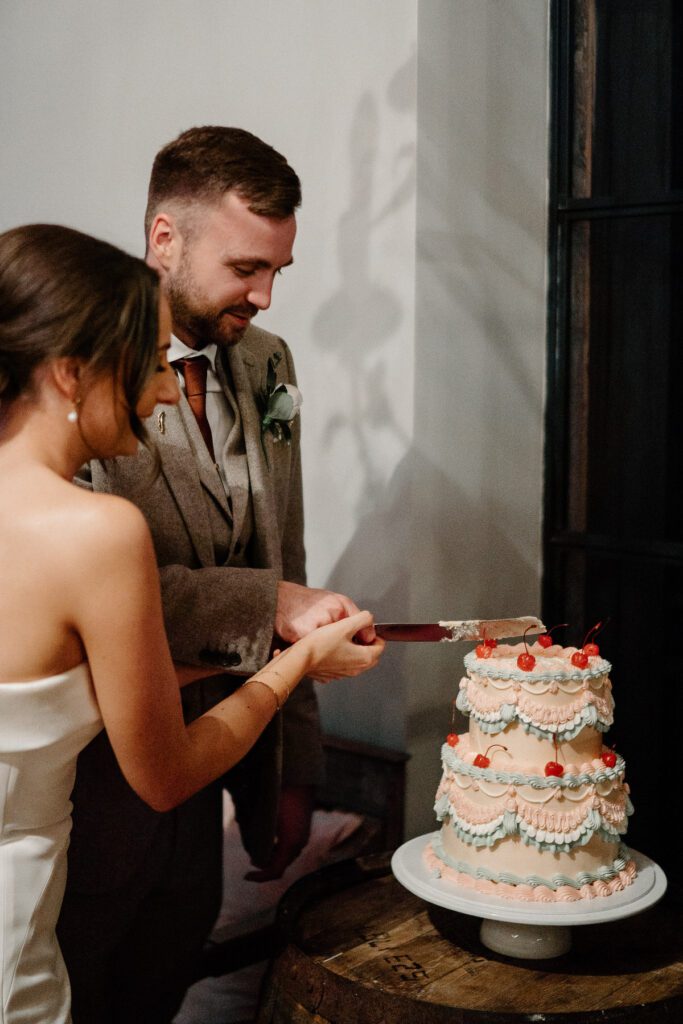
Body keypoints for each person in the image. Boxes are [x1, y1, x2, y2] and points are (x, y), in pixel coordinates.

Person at [0, 222, 383, 1024]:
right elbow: (165, 773)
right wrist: (294, 663)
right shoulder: (96, 532)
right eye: (145, 364)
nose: (169, 389)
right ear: (71, 375)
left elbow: (56, 691)